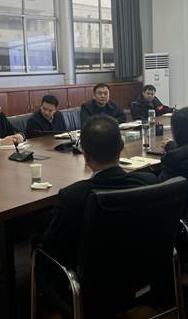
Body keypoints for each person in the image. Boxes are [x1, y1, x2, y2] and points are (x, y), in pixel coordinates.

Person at [42, 115, 157, 268]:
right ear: (121, 147)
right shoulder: (149, 182)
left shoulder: (72, 196)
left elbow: (51, 247)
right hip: (144, 267)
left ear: (85, 155)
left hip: (91, 276)